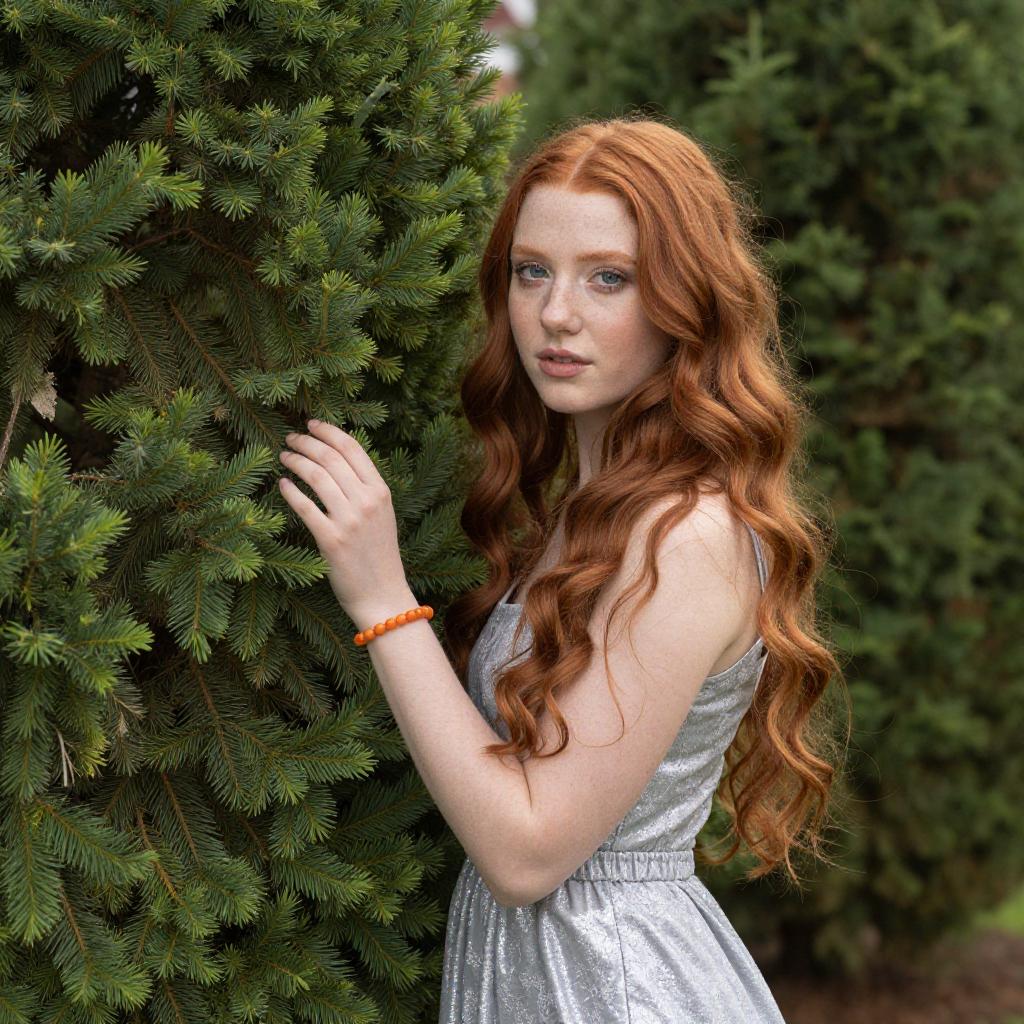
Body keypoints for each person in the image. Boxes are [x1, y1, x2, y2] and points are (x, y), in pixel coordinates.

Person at [435, 115, 848, 1022]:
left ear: (685, 304)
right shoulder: (583, 517)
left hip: (615, 987)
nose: (555, 313)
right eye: (531, 270)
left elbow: (527, 850)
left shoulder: (685, 536)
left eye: (608, 278)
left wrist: (380, 599)